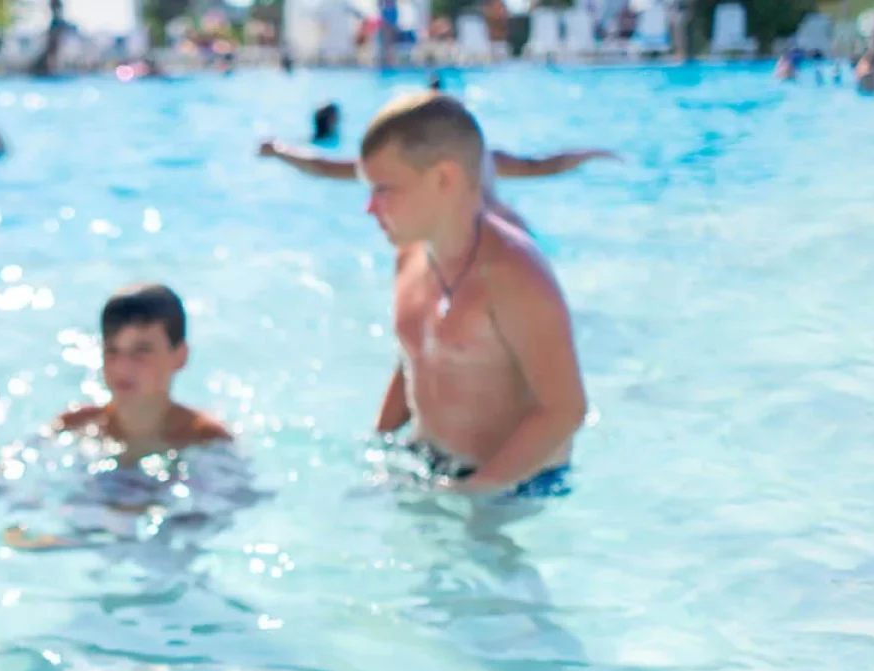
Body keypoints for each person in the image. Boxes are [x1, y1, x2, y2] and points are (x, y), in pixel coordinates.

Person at [359, 92, 585, 497]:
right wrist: (378, 445)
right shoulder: (410, 255)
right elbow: (415, 355)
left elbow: (565, 410)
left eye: (384, 190)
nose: (369, 208)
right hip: (427, 463)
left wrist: (476, 493)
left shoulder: (513, 272)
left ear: (444, 179)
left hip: (514, 484)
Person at [258, 130, 617, 234]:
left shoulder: (408, 168)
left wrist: (279, 150)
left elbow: (327, 167)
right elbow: (543, 166)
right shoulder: (483, 159)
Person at [53, 284, 230, 462]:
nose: (122, 366)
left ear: (180, 356)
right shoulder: (74, 427)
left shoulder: (208, 440)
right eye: (112, 350)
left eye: (141, 351)